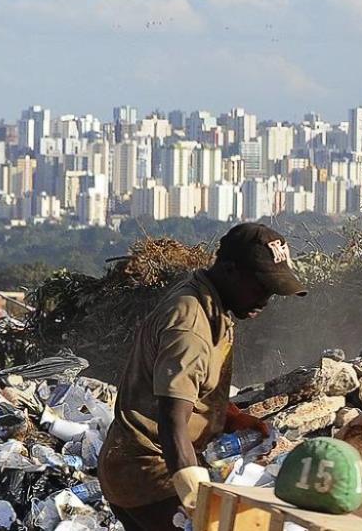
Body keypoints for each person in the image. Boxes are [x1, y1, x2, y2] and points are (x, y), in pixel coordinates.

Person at [98, 223, 307, 531]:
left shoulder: (209, 302)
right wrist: (196, 498)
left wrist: (228, 417)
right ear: (229, 270)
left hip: (136, 467)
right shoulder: (191, 325)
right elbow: (172, 420)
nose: (265, 300)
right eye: (260, 287)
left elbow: (190, 388)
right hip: (150, 475)